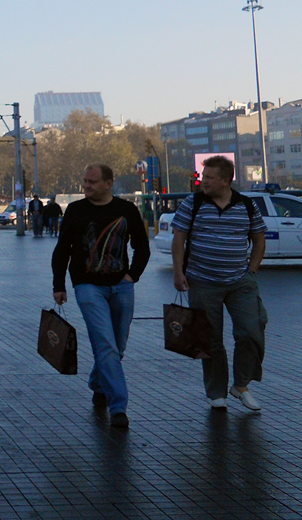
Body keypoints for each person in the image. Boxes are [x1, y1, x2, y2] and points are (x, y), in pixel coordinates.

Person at [52, 163, 150, 429]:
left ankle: (98, 382)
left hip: (121, 285)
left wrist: (132, 276)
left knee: (117, 346)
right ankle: (118, 407)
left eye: (92, 182)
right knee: (105, 344)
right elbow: (62, 249)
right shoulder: (75, 210)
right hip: (87, 286)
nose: (86, 187)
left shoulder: (126, 210)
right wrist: (59, 284)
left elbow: (142, 246)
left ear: (109, 183)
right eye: (85, 182)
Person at [171, 154, 268, 412]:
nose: (204, 182)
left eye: (210, 178)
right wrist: (179, 273)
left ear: (226, 181)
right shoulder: (192, 204)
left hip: (240, 282)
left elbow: (259, 239)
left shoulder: (246, 205)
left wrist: (252, 271)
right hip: (202, 281)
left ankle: (241, 385)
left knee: (251, 331)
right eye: (204, 177)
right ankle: (217, 392)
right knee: (210, 338)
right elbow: (178, 239)